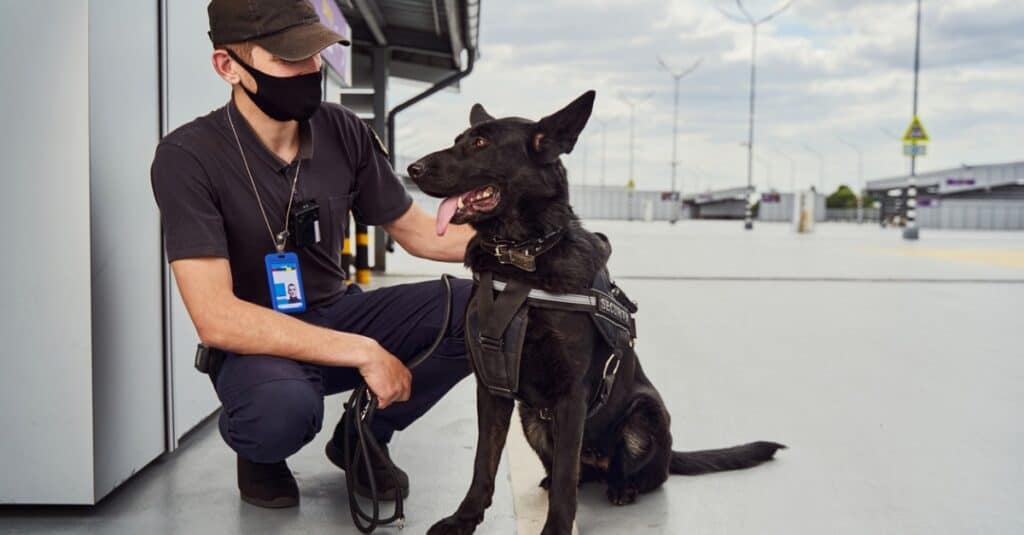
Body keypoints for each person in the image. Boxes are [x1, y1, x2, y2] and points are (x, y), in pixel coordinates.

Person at [150, 0, 477, 509]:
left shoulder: (342, 130)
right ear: (227, 66)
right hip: (257, 342)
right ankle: (259, 451)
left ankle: (362, 437)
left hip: (338, 311)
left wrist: (533, 247)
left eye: (315, 54)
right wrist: (365, 352)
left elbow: (418, 232)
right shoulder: (187, 157)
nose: (309, 70)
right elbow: (216, 318)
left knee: (481, 309)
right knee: (279, 412)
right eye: (289, 58)